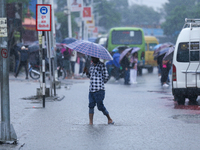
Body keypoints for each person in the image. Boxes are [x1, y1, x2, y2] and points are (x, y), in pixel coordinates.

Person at [84, 57, 114, 125]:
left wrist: (101, 82)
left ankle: (109, 119)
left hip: (99, 90)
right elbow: (89, 76)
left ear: (97, 57)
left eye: (94, 57)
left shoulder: (102, 65)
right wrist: (86, 72)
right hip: (91, 89)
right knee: (91, 105)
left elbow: (106, 76)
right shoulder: (91, 66)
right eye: (92, 57)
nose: (93, 58)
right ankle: (90, 122)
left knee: (100, 106)